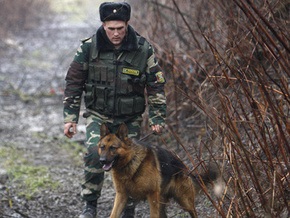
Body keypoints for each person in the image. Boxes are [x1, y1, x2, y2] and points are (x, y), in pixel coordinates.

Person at [63, 2, 166, 218]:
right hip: (98, 115)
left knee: (131, 162)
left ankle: (128, 208)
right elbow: (74, 82)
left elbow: (155, 83)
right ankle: (90, 205)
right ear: (103, 25)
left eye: (120, 28)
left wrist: (157, 116)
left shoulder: (142, 48)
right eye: (111, 29)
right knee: (94, 154)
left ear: (127, 24)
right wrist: (70, 118)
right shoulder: (89, 47)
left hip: (129, 119)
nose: (116, 33)